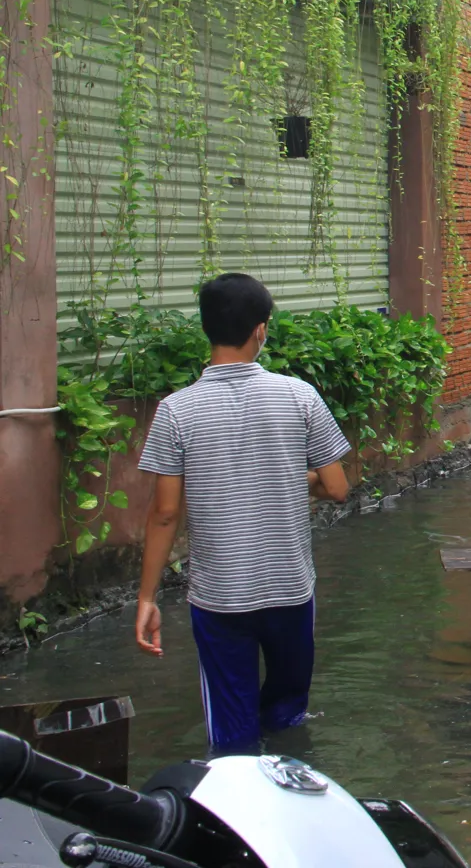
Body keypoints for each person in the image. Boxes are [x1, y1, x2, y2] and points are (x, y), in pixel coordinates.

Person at [135, 273, 351, 754]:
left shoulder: (176, 411)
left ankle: (234, 814)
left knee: (231, 738)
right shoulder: (300, 397)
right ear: (261, 330)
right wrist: (287, 481)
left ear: (207, 329)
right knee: (288, 716)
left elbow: (165, 514)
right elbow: (337, 488)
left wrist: (147, 597)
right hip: (289, 588)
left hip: (220, 598)